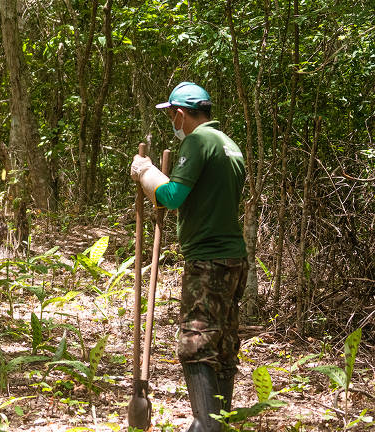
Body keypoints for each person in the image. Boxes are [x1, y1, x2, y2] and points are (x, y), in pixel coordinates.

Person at [130, 82, 248, 432]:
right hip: (234, 259)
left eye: (171, 116)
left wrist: (145, 173)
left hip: (208, 260)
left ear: (180, 113)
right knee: (222, 343)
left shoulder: (198, 141)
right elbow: (202, 195)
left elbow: (173, 196)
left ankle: (205, 425)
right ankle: (219, 422)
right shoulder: (229, 145)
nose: (172, 122)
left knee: (196, 343)